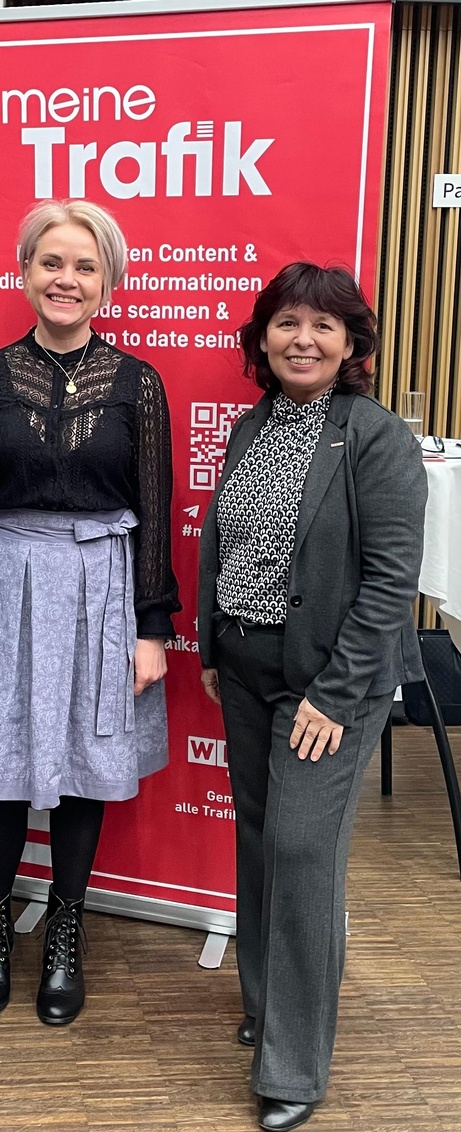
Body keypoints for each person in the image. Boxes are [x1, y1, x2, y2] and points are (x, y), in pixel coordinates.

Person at [197, 262, 427, 1132]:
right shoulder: (253, 425)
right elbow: (227, 534)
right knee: (258, 844)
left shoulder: (373, 437)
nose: (303, 340)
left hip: (330, 686)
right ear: (262, 339)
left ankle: (292, 1067)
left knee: (300, 856)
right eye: (287, 324)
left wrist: (333, 695)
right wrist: (218, 645)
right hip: (245, 668)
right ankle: (263, 1010)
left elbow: (388, 582)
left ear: (351, 346)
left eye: (323, 327)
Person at [0, 199, 179, 1025]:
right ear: (24, 271)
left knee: (85, 762)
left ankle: (64, 931)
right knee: (1, 762)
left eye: (85, 266)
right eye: (52, 262)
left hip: (103, 586)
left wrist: (152, 628)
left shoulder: (137, 384)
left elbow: (156, 506)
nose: (66, 279)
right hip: (3, 577)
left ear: (108, 284)